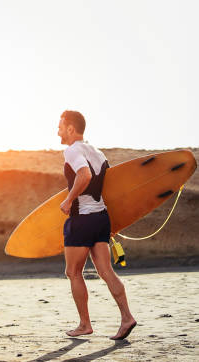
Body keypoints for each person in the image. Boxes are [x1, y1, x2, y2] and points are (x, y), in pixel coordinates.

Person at [58, 110, 137, 340]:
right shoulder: (97, 152)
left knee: (73, 272)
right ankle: (126, 317)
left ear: (71, 128)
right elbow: (110, 189)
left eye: (60, 126)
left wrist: (68, 199)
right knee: (105, 271)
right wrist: (114, 222)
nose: (58, 131)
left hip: (82, 219)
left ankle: (84, 324)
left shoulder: (72, 150)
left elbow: (84, 176)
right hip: (101, 217)